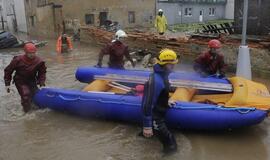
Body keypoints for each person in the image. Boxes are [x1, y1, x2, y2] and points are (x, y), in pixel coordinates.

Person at [142, 49, 178, 154]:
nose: (173, 66)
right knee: (171, 145)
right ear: (164, 64)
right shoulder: (156, 80)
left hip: (159, 112)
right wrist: (147, 126)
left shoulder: (163, 75)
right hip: (155, 118)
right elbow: (147, 103)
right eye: (171, 64)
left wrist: (165, 101)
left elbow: (162, 92)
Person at [4, 43, 47, 113]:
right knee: (26, 95)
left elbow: (42, 72)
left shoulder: (39, 61)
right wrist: (7, 84)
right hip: (20, 81)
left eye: (33, 53)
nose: (32, 55)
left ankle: (36, 108)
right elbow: (8, 71)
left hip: (32, 80)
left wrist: (41, 82)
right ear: (26, 52)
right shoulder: (17, 60)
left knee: (36, 95)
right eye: (30, 53)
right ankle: (27, 113)